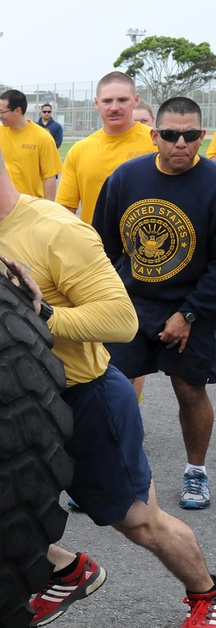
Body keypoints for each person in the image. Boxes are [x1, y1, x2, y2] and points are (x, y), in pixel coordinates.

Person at [0, 116, 216, 628]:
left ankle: (206, 594)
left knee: (139, 521)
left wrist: (44, 317)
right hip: (31, 404)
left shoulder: (57, 229)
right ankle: (68, 570)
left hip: (89, 399)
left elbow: (121, 321)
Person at [93, 96, 216, 510]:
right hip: (132, 303)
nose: (180, 143)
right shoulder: (125, 178)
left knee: (189, 389)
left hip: (193, 305)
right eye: (170, 134)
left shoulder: (214, 183)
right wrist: (103, 299)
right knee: (111, 390)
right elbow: (103, 248)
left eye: (191, 135)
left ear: (202, 136)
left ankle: (196, 474)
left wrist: (188, 313)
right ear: (154, 135)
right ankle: (112, 472)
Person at [56, 71, 155, 225]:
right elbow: (65, 211)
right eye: (107, 101)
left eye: (122, 100)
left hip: (149, 245)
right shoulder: (79, 150)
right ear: (96, 103)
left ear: (136, 100)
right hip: (95, 246)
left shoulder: (158, 142)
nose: (114, 107)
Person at [0, 89, 63, 201]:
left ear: (17, 111)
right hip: (0, 205)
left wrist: (49, 208)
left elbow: (49, 176)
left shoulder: (43, 138)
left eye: (2, 112)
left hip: (31, 206)